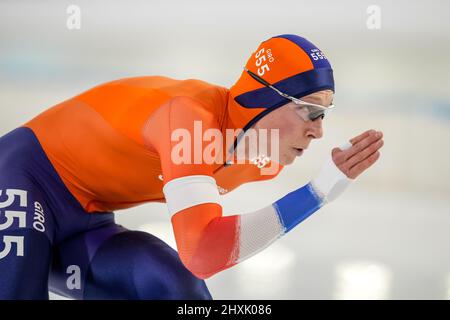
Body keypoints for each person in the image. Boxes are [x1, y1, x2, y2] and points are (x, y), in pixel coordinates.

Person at [0, 34, 383, 299]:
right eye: (311, 111)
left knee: (177, 290)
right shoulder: (189, 117)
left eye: (325, 115)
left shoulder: (266, 161)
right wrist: (316, 194)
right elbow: (203, 252)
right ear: (266, 100)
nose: (318, 131)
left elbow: (196, 266)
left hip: (89, 219)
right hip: (23, 177)